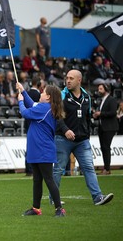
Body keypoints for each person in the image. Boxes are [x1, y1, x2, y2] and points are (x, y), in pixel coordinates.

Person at [52, 69, 113, 205]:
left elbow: (87, 118)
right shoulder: (62, 95)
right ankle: (53, 198)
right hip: (63, 139)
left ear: (79, 80)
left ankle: (97, 197)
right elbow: (57, 115)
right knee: (58, 170)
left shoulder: (87, 97)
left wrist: (87, 135)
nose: (68, 80)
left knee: (89, 168)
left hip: (82, 141)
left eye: (71, 78)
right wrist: (66, 130)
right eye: (67, 78)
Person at [17, 82, 66, 217]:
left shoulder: (44, 108)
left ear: (48, 97)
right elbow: (32, 104)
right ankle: (36, 208)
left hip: (43, 149)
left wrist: (20, 101)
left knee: (48, 179)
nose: (41, 94)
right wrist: (23, 91)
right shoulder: (45, 107)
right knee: (37, 179)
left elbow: (25, 112)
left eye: (43, 92)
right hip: (37, 149)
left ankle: (59, 209)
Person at [92, 84, 118, 175]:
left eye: (101, 89)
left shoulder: (111, 100)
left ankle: (107, 169)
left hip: (109, 127)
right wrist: (96, 115)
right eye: (98, 88)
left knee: (106, 147)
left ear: (106, 89)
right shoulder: (102, 100)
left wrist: (100, 113)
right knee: (103, 148)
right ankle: (106, 168)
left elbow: (113, 112)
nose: (99, 90)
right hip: (102, 127)